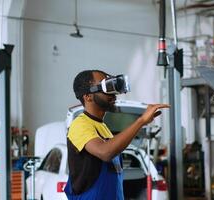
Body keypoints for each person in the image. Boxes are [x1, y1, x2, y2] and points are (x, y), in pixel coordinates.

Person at [64, 70, 170, 200]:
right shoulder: (80, 125)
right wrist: (141, 121)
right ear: (88, 96)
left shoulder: (103, 128)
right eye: (106, 88)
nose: (113, 94)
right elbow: (105, 152)